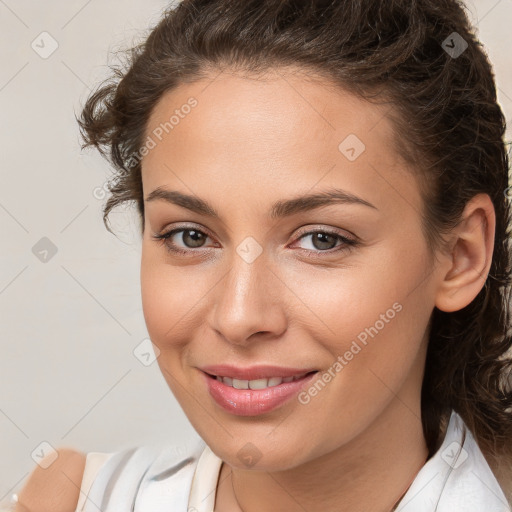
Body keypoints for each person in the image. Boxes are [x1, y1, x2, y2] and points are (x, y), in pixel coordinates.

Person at [12, 0, 512, 510]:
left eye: (321, 239)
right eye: (190, 236)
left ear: (460, 256)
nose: (238, 317)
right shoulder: (69, 498)